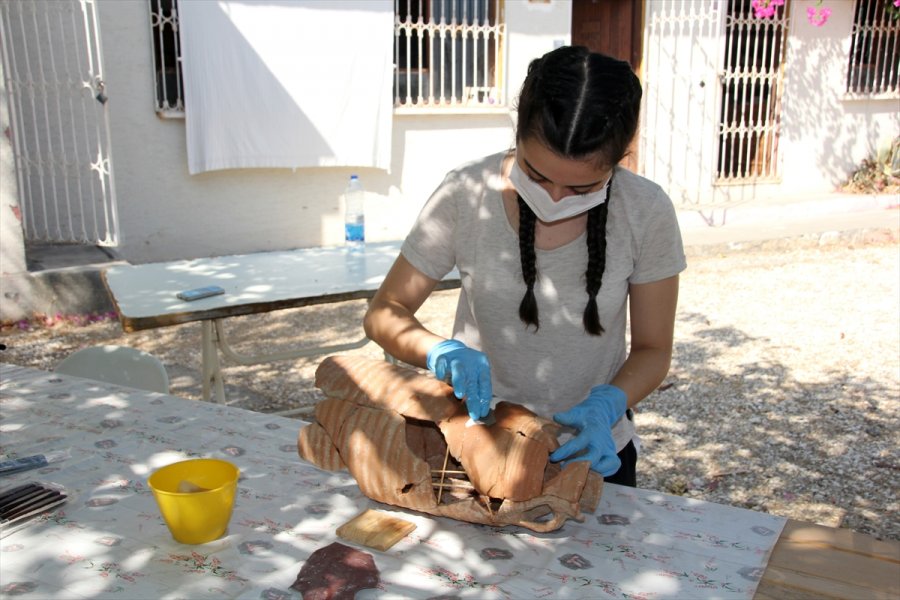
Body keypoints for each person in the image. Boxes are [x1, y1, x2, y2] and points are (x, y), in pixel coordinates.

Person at [363, 46, 686, 486]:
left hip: (589, 451)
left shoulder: (644, 211)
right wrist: (439, 351)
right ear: (517, 134)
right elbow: (385, 312)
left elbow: (653, 349)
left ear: (619, 160)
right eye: (536, 175)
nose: (554, 198)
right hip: (475, 444)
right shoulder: (466, 194)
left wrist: (609, 403)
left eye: (582, 187)